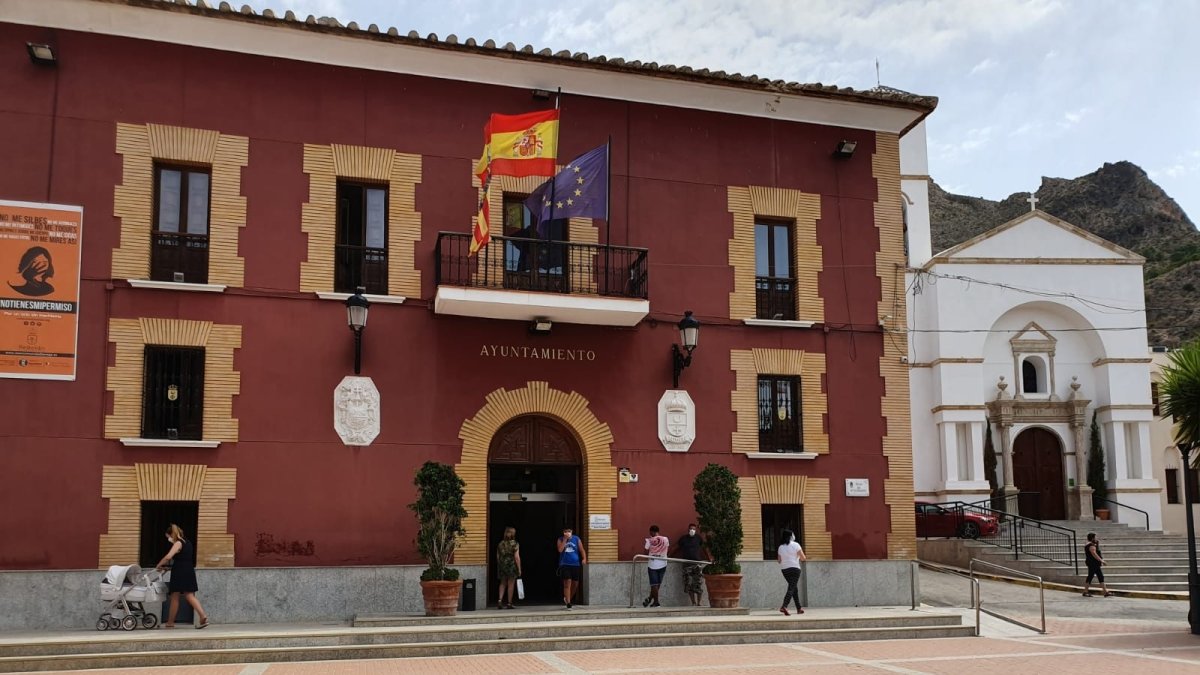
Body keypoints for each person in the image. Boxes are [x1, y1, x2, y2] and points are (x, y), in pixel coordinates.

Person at [155, 524, 210, 629]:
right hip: (188, 569)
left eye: (168, 537)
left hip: (180, 571)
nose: (169, 539)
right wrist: (168, 568)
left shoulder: (178, 543)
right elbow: (183, 558)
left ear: (172, 534)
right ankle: (202, 615)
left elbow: (168, 557)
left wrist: (159, 565)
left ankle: (171, 622)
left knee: (175, 596)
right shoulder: (187, 542)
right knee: (189, 595)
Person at [672, 523, 708, 606]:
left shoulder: (698, 538)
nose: (692, 530)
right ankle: (693, 602)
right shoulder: (683, 539)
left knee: (698, 583)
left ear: (695, 530)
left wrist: (709, 558)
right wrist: (667, 556)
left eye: (694, 529)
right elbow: (675, 547)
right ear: (688, 530)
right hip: (687, 565)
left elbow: (704, 548)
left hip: (697, 564)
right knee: (688, 584)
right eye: (691, 529)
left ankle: (699, 603)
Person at [777, 528, 806, 615]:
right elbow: (803, 558)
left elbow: (779, 560)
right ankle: (784, 606)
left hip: (785, 569)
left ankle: (799, 608)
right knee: (792, 587)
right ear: (790, 536)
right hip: (795, 568)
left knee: (793, 588)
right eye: (792, 534)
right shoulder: (796, 545)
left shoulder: (780, 547)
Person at [556, 526, 586, 609]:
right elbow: (560, 550)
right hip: (565, 564)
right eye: (566, 531)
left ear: (572, 531)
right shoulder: (560, 539)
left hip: (575, 564)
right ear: (563, 532)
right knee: (567, 582)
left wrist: (584, 558)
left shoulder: (576, 539)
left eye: (569, 531)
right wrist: (565, 540)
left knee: (575, 584)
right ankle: (568, 603)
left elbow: (582, 550)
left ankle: (567, 598)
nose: (567, 533)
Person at [642, 525, 669, 607]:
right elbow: (668, 549)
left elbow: (645, 553)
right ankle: (650, 599)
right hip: (663, 564)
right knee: (657, 584)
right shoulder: (665, 539)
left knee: (654, 584)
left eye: (650, 532)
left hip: (652, 565)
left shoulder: (649, 541)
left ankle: (656, 602)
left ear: (651, 532)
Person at [495, 526, 522, 609]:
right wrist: (519, 568)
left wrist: (500, 564)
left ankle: (500, 600)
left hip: (502, 565)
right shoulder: (515, 543)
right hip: (511, 565)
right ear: (513, 534)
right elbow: (517, 557)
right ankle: (509, 603)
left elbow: (497, 556)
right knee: (511, 584)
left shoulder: (500, 543)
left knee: (502, 583)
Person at [1082, 532, 1111, 597]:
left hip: (1094, 563)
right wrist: (1102, 561)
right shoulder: (1091, 545)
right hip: (1093, 563)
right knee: (1090, 576)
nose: (1096, 538)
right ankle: (1085, 591)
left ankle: (1105, 591)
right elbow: (1094, 554)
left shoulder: (1090, 544)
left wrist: (1096, 544)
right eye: (1095, 537)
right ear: (1092, 538)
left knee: (1100, 576)